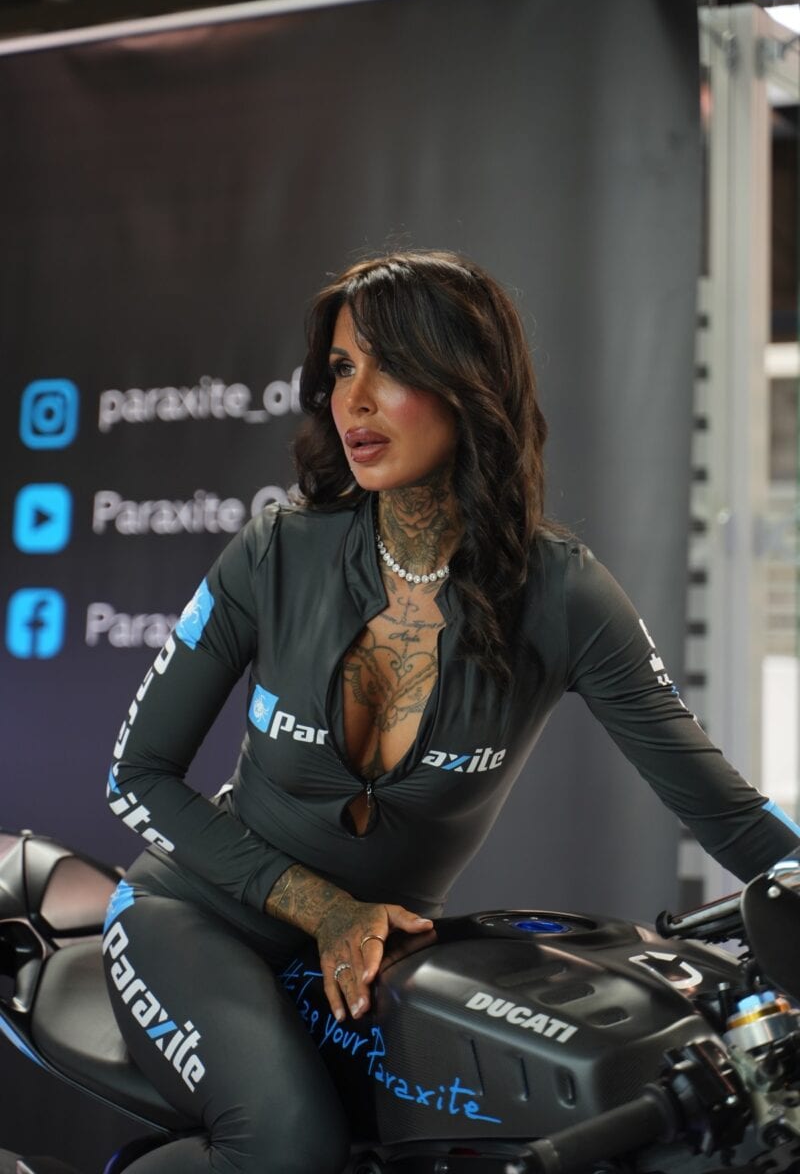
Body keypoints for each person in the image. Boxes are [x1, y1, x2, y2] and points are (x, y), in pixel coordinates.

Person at [102, 249, 800, 1173]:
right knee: (288, 1144)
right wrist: (326, 908)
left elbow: (730, 815)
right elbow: (136, 776)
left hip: (375, 963)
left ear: (469, 385)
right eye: (341, 369)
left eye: (389, 367)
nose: (352, 401)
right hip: (194, 917)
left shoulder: (562, 595)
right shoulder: (278, 552)